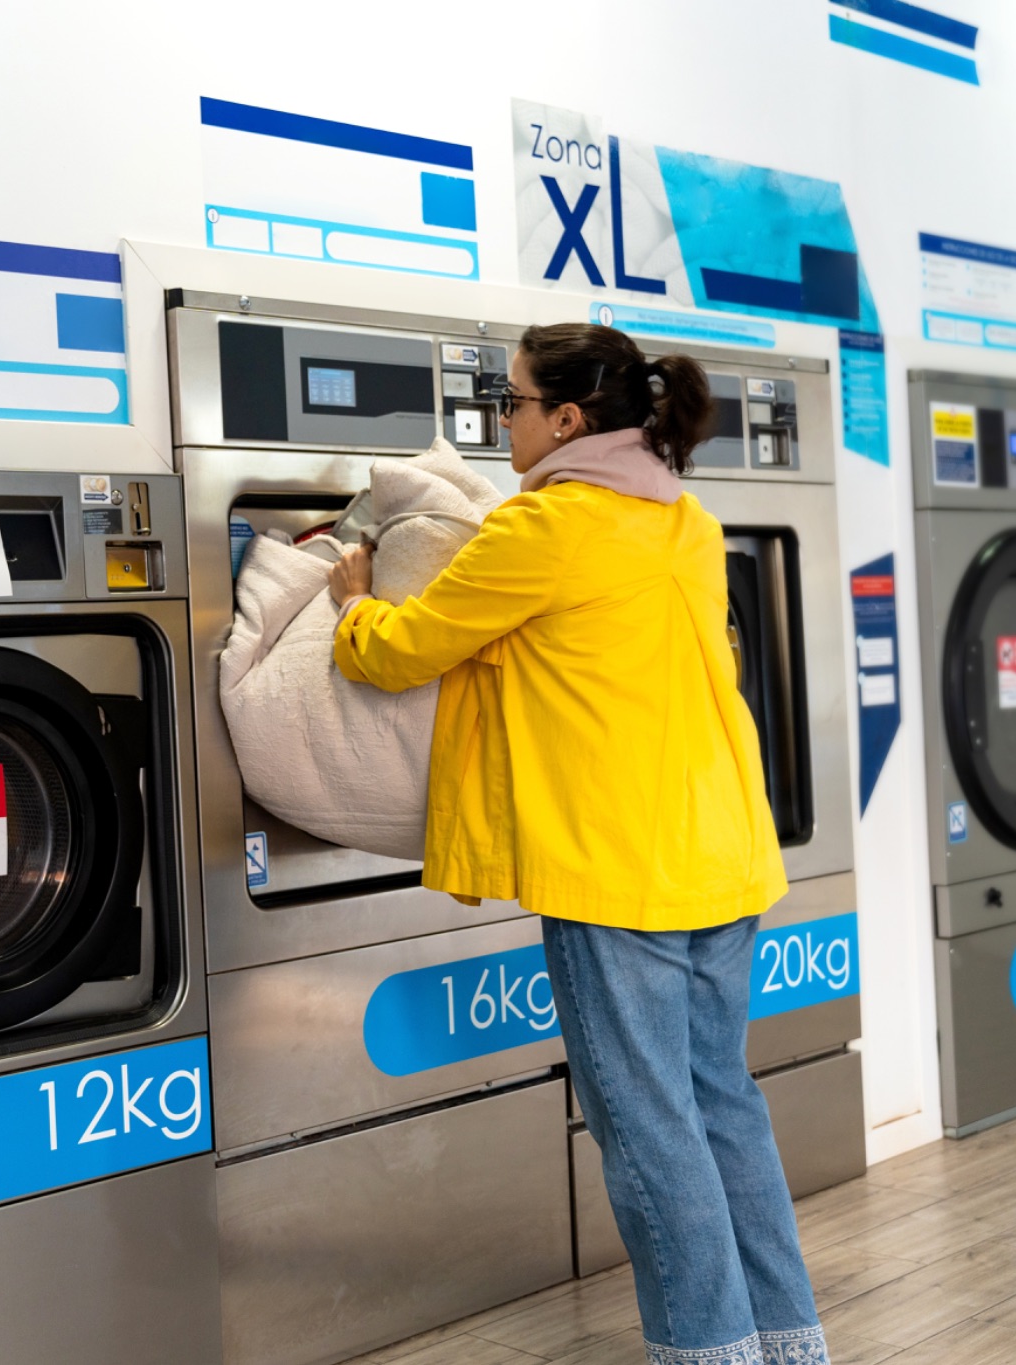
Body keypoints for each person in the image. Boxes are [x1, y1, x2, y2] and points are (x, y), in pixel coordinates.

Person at [327, 322, 827, 1365]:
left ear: (563, 418)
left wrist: (348, 607)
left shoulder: (545, 529)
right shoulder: (682, 518)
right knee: (718, 1103)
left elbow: (403, 652)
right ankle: (784, 1342)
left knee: (647, 1129)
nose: (497, 420)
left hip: (615, 867)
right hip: (720, 850)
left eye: (507, 403)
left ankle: (704, 1352)